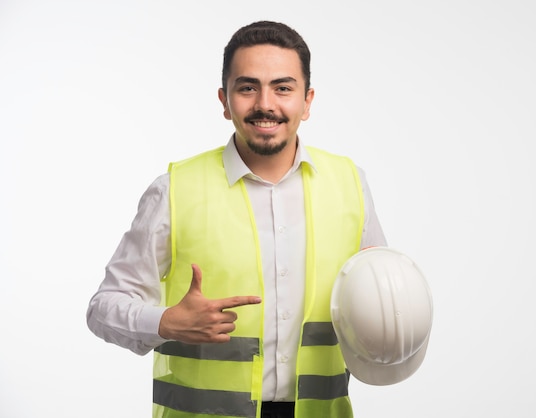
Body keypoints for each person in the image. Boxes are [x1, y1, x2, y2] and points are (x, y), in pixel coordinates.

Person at [87, 20, 387, 418]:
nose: (266, 103)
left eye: (283, 87)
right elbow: (102, 307)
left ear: (307, 100)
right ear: (224, 101)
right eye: (247, 87)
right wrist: (165, 322)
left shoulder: (350, 184)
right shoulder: (175, 189)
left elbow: (385, 300)